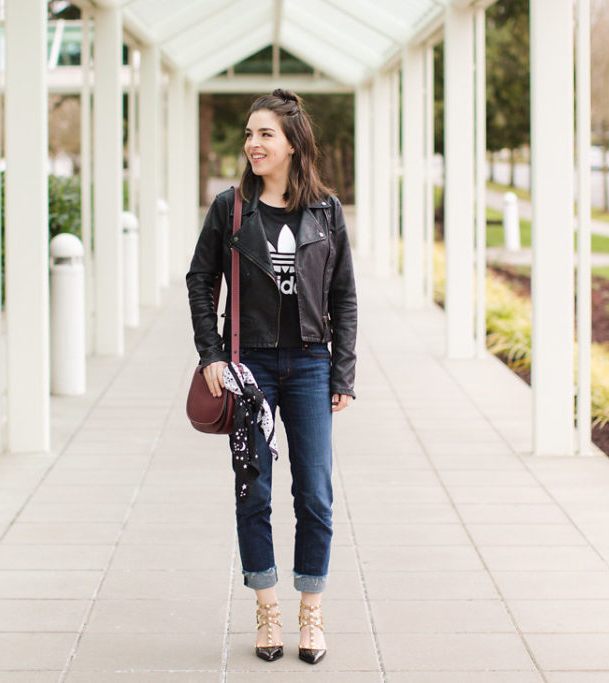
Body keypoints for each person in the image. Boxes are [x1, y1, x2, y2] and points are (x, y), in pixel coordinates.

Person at [186, 89, 358, 665]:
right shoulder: (231, 209)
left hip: (311, 364)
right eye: (249, 134)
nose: (253, 144)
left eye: (265, 134)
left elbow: (344, 297)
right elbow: (200, 279)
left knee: (314, 492)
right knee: (252, 488)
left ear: (292, 143)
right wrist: (211, 354)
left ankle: (311, 611)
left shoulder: (326, 212)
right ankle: (267, 609)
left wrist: (343, 370)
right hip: (250, 368)